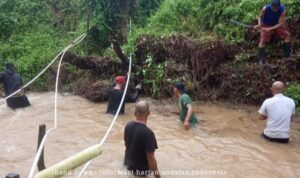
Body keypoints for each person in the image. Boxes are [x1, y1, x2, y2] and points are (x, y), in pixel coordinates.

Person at [124, 101, 160, 178]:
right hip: (140, 172)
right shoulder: (148, 134)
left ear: (135, 113)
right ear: (148, 113)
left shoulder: (128, 125)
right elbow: (151, 159)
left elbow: (126, 145)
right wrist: (158, 177)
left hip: (127, 166)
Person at [254, 0, 292, 64]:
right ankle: (260, 59)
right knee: (262, 41)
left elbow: (281, 23)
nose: (274, 10)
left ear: (279, 6)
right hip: (266, 24)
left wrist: (270, 29)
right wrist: (260, 24)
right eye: (273, 8)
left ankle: (287, 56)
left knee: (287, 35)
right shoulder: (265, 8)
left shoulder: (283, 10)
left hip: (277, 24)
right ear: (271, 6)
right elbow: (260, 16)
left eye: (276, 8)